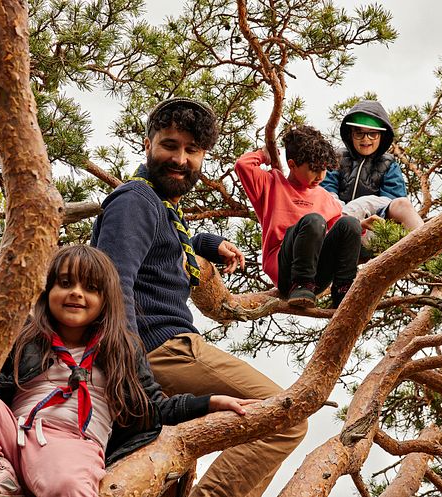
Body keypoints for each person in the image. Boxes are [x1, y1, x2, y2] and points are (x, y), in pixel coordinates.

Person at [91, 96, 307, 497]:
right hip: (160, 349)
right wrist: (128, 366)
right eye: (170, 145)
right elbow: (111, 283)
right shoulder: (135, 200)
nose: (181, 158)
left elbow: (172, 240)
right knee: (284, 415)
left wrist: (210, 243)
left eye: (192, 151)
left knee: (168, 475)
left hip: (159, 353)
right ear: (147, 144)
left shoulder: (161, 207)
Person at [0, 245, 253, 497]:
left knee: (69, 485)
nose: (76, 293)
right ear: (48, 292)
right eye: (65, 283)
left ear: (106, 299)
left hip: (70, 443)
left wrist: (209, 403)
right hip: (11, 431)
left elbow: (155, 408)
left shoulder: (122, 349)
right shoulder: (26, 336)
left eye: (90, 288)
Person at [235, 125, 363, 308]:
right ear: (292, 165)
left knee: (350, 223)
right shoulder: (271, 185)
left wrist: (360, 227)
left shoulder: (325, 197)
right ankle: (301, 284)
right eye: (313, 169)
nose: (320, 175)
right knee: (314, 221)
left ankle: (343, 291)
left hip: (317, 275)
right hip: (286, 271)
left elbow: (340, 233)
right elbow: (243, 165)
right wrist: (264, 154)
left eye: (324, 168)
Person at [321, 100, 423, 253]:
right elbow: (327, 193)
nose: (365, 139)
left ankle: (428, 247)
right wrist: (348, 216)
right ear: (350, 134)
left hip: (374, 230)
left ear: (382, 136)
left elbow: (391, 201)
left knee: (403, 203)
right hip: (338, 227)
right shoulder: (338, 158)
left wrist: (361, 205)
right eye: (359, 133)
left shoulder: (389, 164)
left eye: (372, 133)